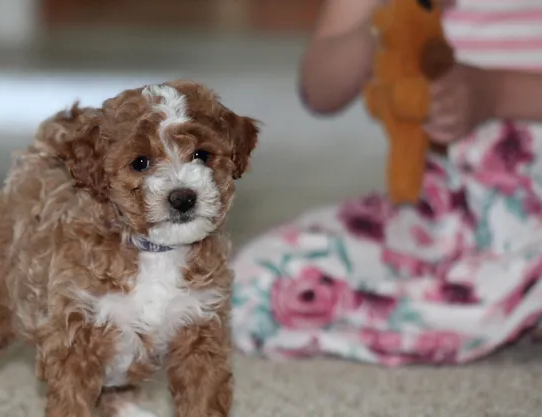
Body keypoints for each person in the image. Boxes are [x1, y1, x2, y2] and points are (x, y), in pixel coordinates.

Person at [231, 0, 542, 366]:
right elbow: (320, 90)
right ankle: (498, 301)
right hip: (451, 211)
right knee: (261, 283)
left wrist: (497, 92)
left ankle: (504, 300)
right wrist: (387, 18)